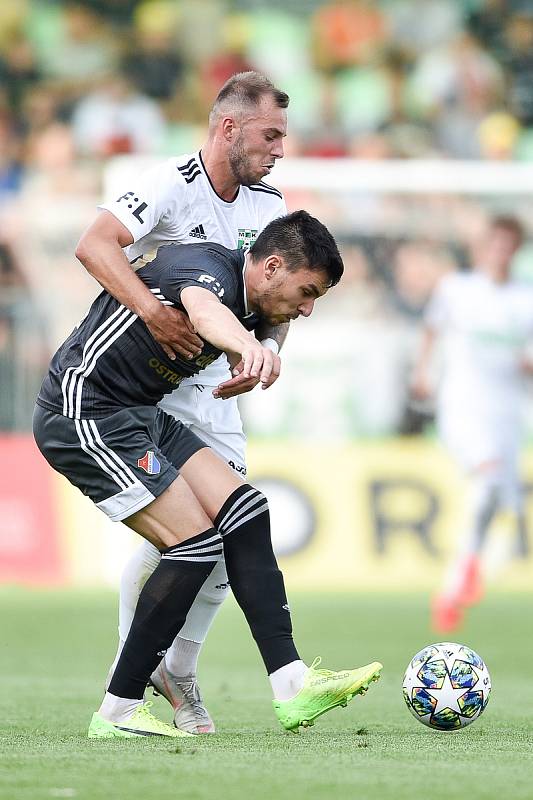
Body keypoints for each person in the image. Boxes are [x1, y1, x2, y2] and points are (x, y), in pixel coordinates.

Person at [33, 211, 383, 739]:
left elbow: (258, 322)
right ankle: (118, 711)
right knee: (192, 545)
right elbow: (201, 310)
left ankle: (291, 686)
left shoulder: (256, 304)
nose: (307, 309)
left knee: (246, 510)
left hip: (142, 414)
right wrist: (248, 349)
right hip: (83, 410)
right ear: (269, 267)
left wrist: (262, 344)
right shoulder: (207, 268)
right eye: (306, 292)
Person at [75, 71, 291, 733]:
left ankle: (166, 670)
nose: (279, 149)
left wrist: (269, 350)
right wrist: (152, 312)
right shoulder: (167, 183)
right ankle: (137, 681)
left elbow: (276, 300)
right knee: (191, 534)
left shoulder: (268, 206)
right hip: (157, 387)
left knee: (223, 537)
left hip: (219, 390)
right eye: (269, 135)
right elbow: (93, 244)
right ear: (228, 128)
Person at [411, 215, 533, 632]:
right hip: (461, 405)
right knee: (487, 478)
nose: (501, 250)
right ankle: (464, 572)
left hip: (507, 412)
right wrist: (423, 373)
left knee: (495, 496)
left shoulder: (525, 299)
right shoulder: (456, 289)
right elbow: (431, 331)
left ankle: (454, 588)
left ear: (517, 249)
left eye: (509, 244)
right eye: (495, 243)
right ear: (484, 246)